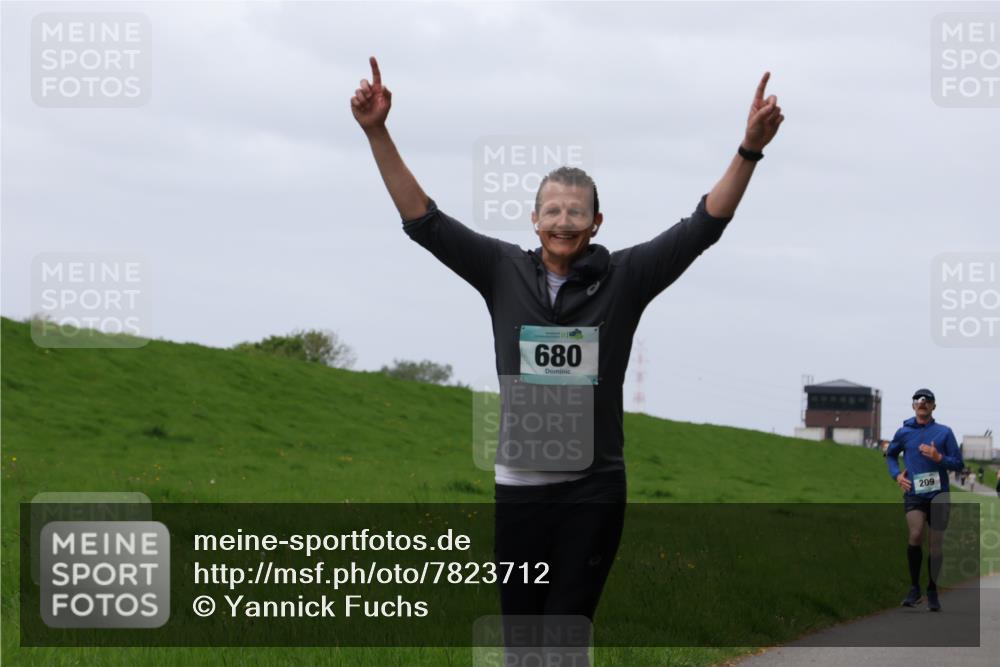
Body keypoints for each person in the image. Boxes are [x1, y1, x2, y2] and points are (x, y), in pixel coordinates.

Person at [351, 56, 783, 657]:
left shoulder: (627, 278)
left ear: (596, 221)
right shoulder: (501, 270)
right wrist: (376, 131)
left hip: (593, 490)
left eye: (576, 211)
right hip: (520, 489)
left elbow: (702, 227)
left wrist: (749, 150)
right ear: (534, 220)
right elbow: (424, 220)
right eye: (551, 210)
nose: (563, 220)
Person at [885, 388, 963, 612]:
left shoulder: (944, 432)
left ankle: (932, 589)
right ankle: (913, 589)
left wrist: (939, 457)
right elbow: (891, 455)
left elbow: (958, 463)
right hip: (914, 494)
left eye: (927, 400)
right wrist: (897, 475)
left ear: (933, 406)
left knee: (935, 544)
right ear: (913, 406)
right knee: (916, 533)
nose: (922, 403)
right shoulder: (903, 432)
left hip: (939, 495)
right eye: (918, 400)